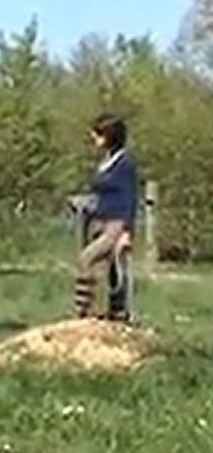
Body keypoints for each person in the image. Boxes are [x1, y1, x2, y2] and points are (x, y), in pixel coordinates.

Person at [74, 113, 138, 322]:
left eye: (98, 134)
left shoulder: (125, 164)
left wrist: (127, 232)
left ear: (110, 135)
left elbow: (130, 197)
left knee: (87, 258)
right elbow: (104, 192)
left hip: (116, 223)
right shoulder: (107, 161)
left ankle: (84, 311)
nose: (94, 138)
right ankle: (115, 311)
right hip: (98, 220)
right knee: (108, 269)